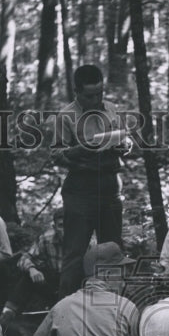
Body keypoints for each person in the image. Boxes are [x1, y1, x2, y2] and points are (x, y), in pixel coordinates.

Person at [51, 65, 132, 298]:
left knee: (113, 251)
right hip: (80, 190)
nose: (96, 100)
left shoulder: (111, 110)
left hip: (109, 187)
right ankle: (66, 309)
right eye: (89, 96)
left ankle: (114, 310)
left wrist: (125, 146)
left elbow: (125, 140)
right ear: (77, 92)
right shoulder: (66, 116)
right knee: (74, 254)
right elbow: (56, 153)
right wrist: (81, 152)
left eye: (100, 94)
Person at [1, 207, 65, 326]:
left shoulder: (84, 241)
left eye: (69, 225)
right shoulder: (46, 239)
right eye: (61, 226)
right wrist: (32, 269)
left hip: (73, 284)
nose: (65, 230)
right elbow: (25, 258)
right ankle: (8, 313)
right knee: (28, 276)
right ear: (54, 226)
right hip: (53, 282)